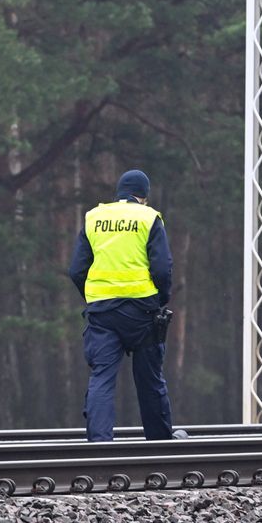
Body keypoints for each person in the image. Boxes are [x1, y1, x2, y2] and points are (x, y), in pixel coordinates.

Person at [68, 169, 177, 442]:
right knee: (150, 380)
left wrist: (94, 295)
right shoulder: (149, 218)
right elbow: (162, 268)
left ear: (118, 193)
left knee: (102, 377)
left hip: (103, 313)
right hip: (144, 312)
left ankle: (100, 446)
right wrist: (161, 299)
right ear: (144, 196)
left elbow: (76, 269)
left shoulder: (94, 218)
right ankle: (160, 443)